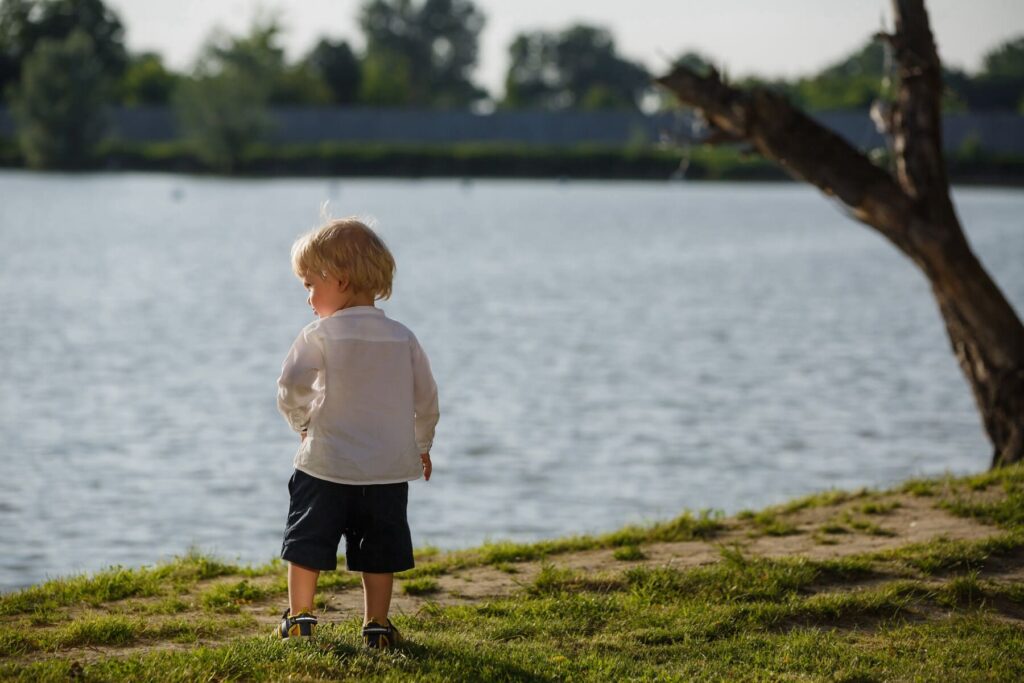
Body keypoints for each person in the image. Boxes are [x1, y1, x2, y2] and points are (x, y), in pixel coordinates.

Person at [274, 217, 439, 648]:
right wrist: (422, 444)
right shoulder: (403, 338)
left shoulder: (320, 335)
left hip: (326, 463)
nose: (308, 297)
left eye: (310, 284)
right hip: (386, 469)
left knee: (307, 539)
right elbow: (426, 399)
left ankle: (301, 618)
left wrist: (302, 422)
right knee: (379, 547)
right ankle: (377, 625)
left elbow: (290, 385)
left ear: (341, 280)